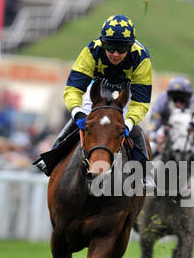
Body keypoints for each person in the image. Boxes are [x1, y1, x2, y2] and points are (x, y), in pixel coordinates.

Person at [35, 14, 154, 188]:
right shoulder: (91, 51)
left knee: (134, 130)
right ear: (103, 43)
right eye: (110, 47)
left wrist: (128, 124)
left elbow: (140, 103)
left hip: (125, 93)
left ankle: (145, 174)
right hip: (98, 90)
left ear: (130, 47)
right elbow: (73, 90)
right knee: (75, 124)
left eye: (121, 49)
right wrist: (77, 113)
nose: (115, 54)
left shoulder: (141, 58)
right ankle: (51, 157)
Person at [148, 76, 194, 156]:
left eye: (182, 99)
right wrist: (156, 137)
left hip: (189, 136)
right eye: (175, 99)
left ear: (189, 97)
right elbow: (151, 130)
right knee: (151, 147)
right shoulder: (162, 101)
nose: (178, 103)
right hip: (166, 132)